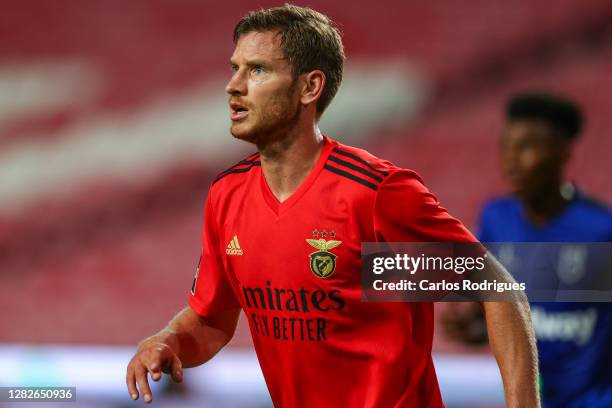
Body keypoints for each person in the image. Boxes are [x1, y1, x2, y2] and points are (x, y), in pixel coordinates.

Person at [126, 5, 539, 407]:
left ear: (310, 87)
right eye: (234, 68)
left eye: (257, 70)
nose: (233, 85)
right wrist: (169, 340)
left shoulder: (375, 194)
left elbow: (497, 289)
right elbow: (212, 320)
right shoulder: (227, 196)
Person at [443, 92, 612, 407]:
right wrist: (477, 328)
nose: (511, 160)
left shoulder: (601, 230)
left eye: (526, 147)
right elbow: (506, 314)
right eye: (506, 148)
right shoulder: (496, 218)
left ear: (562, 153)